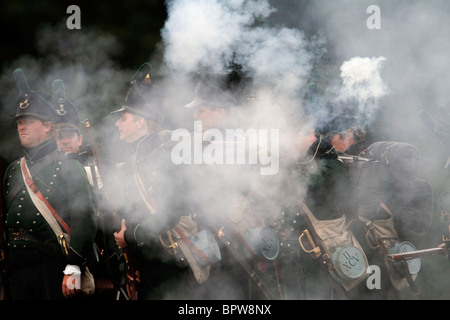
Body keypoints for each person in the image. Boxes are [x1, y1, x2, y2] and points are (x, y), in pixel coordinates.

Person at [3, 69, 96, 299]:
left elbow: (84, 221)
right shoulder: (14, 170)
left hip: (54, 270)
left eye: (28, 121)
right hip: (17, 271)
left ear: (47, 126)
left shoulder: (69, 167)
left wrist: (73, 268)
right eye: (19, 122)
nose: (21, 126)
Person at [111, 63, 195, 299]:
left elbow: (168, 215)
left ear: (140, 121)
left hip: (168, 265)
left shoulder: (165, 156)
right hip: (147, 264)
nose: (117, 123)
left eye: (124, 118)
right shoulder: (137, 156)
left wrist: (130, 236)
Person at [52, 79, 120, 299]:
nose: (64, 142)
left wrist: (106, 273)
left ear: (80, 138)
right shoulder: (47, 171)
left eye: (69, 136)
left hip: (95, 252)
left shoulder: (94, 166)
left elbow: (103, 218)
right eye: (59, 137)